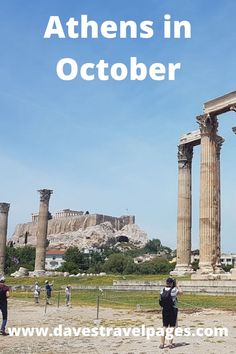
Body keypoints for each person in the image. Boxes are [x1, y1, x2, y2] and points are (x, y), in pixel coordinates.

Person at [159, 277, 182, 349]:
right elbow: (181, 293)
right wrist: (177, 285)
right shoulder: (174, 290)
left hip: (164, 309)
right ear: (172, 283)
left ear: (166, 283)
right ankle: (170, 343)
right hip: (173, 309)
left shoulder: (162, 290)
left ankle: (162, 343)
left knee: (164, 326)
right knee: (172, 327)